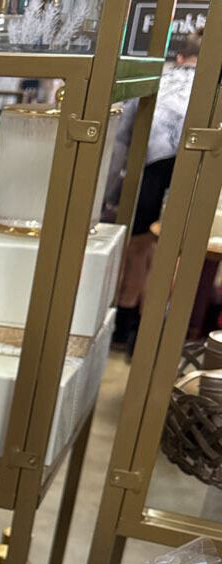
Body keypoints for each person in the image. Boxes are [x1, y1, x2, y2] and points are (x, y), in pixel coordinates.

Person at [110, 29, 202, 352]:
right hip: (192, 174)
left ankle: (123, 325)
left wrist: (110, 192)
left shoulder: (155, 81)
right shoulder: (211, 90)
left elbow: (122, 140)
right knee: (172, 253)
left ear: (179, 57)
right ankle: (149, 333)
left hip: (149, 169)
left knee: (138, 249)